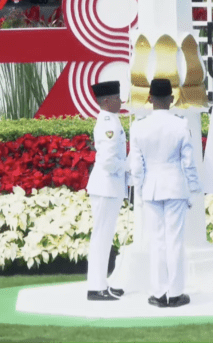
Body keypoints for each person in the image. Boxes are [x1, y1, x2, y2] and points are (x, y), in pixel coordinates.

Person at [129, 78, 201, 308]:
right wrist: (194, 188)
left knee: (157, 242)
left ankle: (158, 293)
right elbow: (189, 163)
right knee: (175, 241)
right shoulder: (180, 125)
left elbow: (137, 166)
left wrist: (139, 191)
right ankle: (176, 293)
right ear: (171, 99)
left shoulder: (138, 126)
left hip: (151, 187)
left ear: (150, 98)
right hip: (175, 186)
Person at [85, 81, 127, 301]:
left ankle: (102, 283)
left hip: (108, 187)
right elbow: (109, 161)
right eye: (117, 97)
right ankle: (96, 287)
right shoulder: (108, 123)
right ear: (107, 101)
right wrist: (127, 166)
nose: (121, 101)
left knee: (104, 237)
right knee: (101, 237)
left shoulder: (110, 120)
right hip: (106, 186)